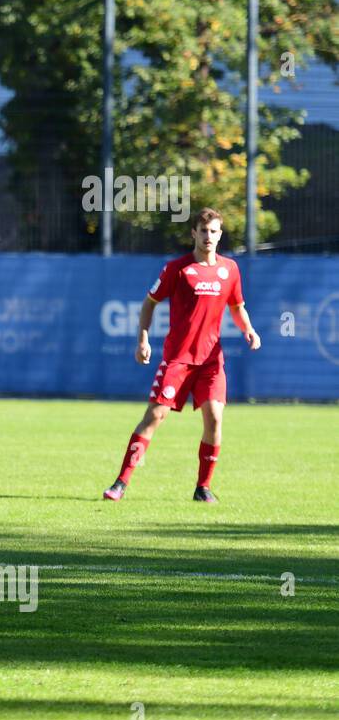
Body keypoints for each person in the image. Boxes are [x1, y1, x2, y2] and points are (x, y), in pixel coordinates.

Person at [103, 207, 261, 504]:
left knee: (215, 419)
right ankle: (121, 482)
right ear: (194, 233)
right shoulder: (177, 268)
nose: (209, 237)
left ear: (220, 234)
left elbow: (237, 307)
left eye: (214, 231)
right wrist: (143, 339)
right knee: (155, 416)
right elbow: (149, 303)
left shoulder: (230, 270)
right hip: (178, 359)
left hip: (211, 361)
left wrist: (248, 329)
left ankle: (203, 487)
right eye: (204, 231)